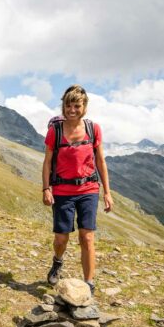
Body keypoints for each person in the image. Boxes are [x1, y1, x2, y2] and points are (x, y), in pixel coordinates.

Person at [42, 85, 113, 292]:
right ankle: (58, 260)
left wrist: (107, 192)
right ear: (63, 106)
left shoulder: (93, 129)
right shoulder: (55, 131)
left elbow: (100, 161)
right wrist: (46, 189)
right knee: (61, 238)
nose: (72, 110)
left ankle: (89, 284)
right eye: (68, 105)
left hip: (89, 189)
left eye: (76, 105)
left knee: (87, 237)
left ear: (84, 106)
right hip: (63, 191)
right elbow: (47, 162)